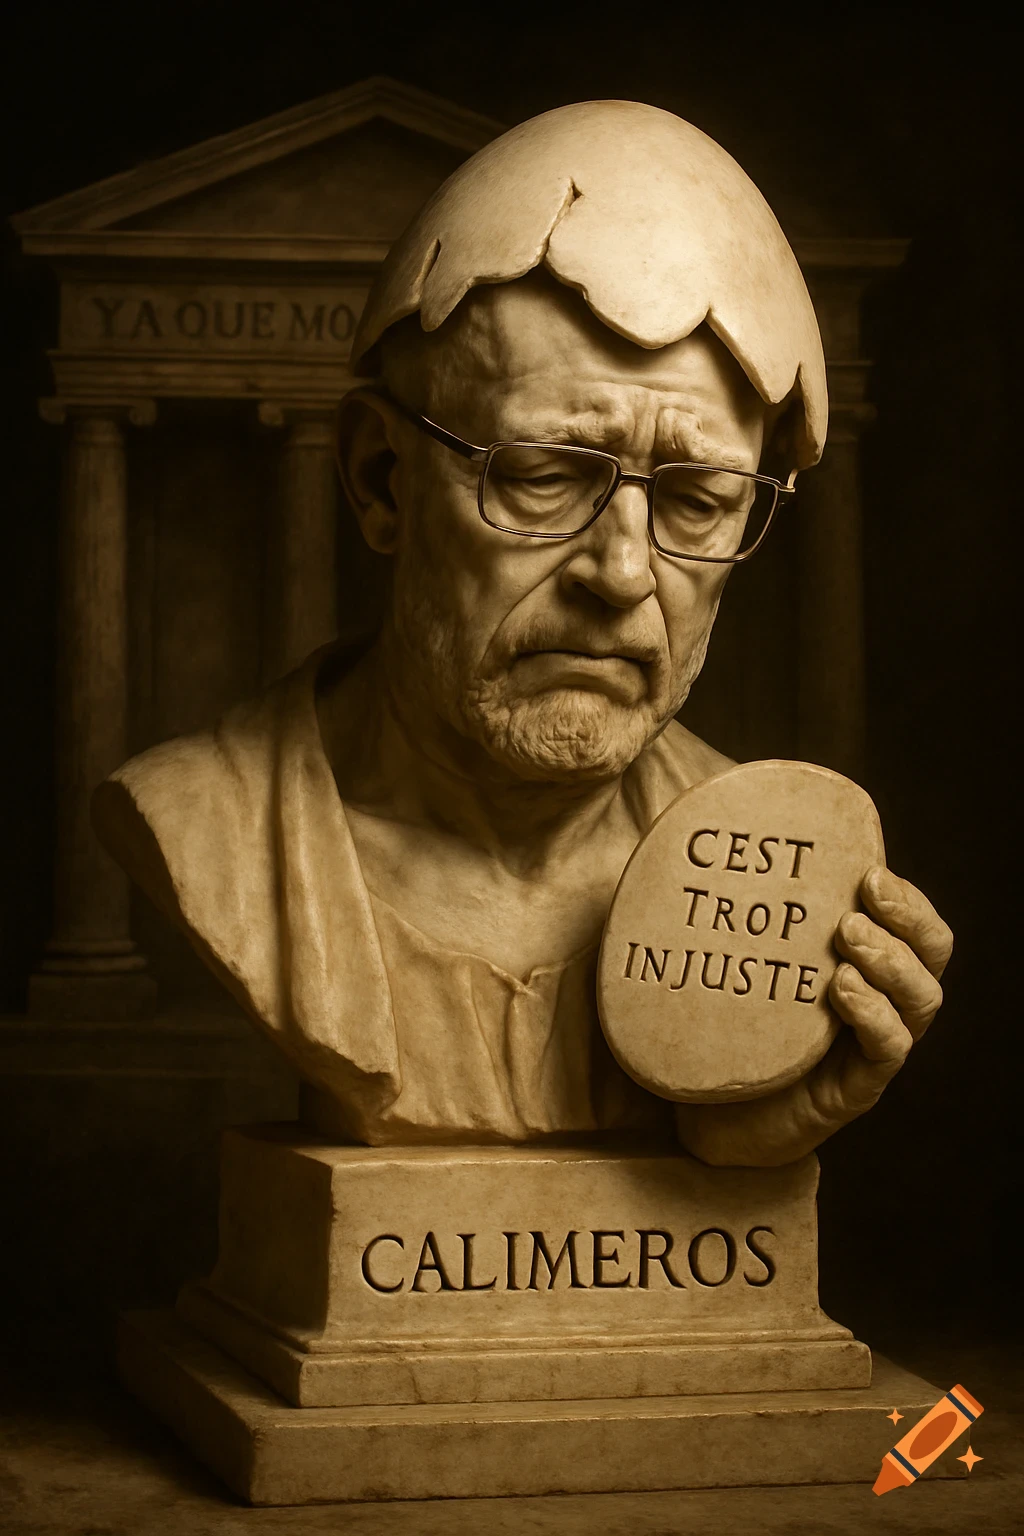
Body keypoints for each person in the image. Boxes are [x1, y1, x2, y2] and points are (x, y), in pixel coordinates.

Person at [93, 101, 952, 1160]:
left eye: (697, 502)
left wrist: (743, 1131)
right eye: (544, 477)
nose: (624, 572)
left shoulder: (765, 892)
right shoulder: (204, 823)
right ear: (380, 482)